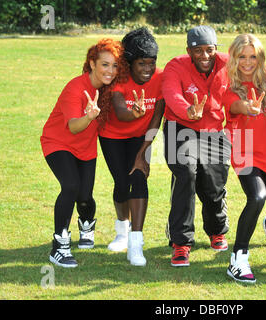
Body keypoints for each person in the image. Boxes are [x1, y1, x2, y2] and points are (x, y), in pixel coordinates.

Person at [41, 38, 125, 268]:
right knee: (70, 186)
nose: (110, 70)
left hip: (86, 147)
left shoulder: (108, 90)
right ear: (92, 63)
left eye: (115, 65)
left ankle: (86, 226)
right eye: (105, 64)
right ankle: (60, 245)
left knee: (85, 196)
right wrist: (89, 116)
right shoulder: (75, 88)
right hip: (58, 142)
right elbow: (73, 126)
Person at [222, 34, 266, 284]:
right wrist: (246, 107)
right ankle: (238, 258)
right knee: (257, 196)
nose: (247, 62)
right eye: (241, 57)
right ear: (234, 58)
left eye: (253, 56)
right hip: (245, 152)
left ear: (260, 57)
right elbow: (235, 106)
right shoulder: (229, 86)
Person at [162, 25, 231, 267]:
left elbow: (256, 70)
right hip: (180, 127)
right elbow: (171, 93)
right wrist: (187, 110)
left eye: (209, 50)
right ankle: (181, 242)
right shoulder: (176, 65)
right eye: (198, 50)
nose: (204, 55)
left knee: (214, 184)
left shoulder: (227, 63)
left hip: (213, 129)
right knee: (186, 175)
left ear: (216, 49)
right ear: (188, 51)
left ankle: (217, 230)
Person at [99, 27, 165, 266]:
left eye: (152, 62)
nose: (148, 69)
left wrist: (143, 153)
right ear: (129, 62)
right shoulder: (119, 76)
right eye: (141, 63)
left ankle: (136, 244)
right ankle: (121, 231)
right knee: (121, 182)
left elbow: (157, 117)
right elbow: (120, 111)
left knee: (138, 177)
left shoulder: (160, 77)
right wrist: (134, 112)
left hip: (141, 136)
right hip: (112, 135)